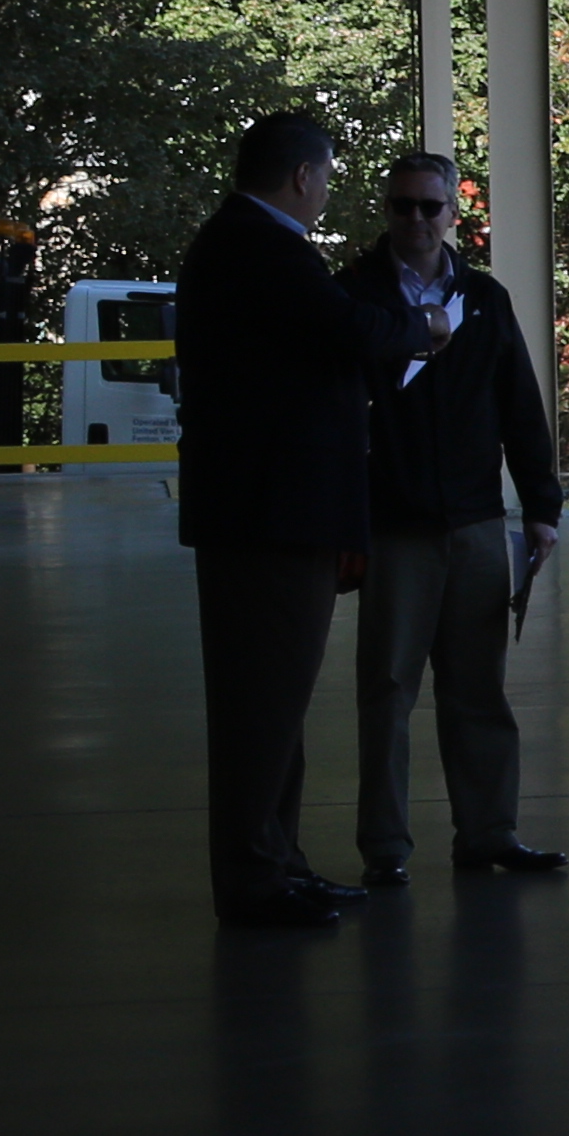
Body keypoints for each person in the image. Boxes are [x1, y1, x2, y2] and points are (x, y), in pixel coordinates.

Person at [175, 109, 423, 930]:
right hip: (271, 518)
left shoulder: (241, 244)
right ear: (304, 177)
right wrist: (427, 327)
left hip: (270, 512)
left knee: (274, 703)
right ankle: (254, 877)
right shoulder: (263, 248)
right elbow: (352, 329)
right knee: (261, 705)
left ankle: (277, 862)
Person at [340, 151, 563, 884]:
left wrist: (541, 509)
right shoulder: (354, 296)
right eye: (401, 205)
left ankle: (490, 834)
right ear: (386, 209)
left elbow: (519, 407)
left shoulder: (486, 301)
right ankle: (385, 850)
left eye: (428, 207)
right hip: (394, 524)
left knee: (478, 690)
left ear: (452, 215)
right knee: (388, 691)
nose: (414, 219)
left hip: (472, 521)